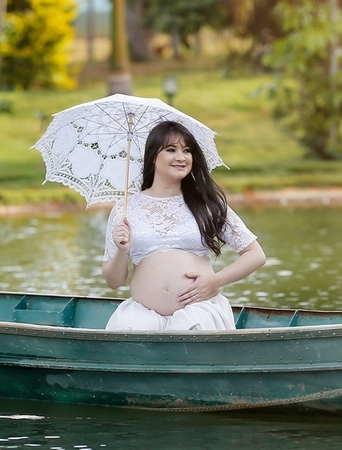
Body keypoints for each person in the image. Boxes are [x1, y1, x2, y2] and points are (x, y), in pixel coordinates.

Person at [102, 120, 266, 331]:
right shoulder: (126, 208)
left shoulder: (206, 204)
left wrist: (214, 281)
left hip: (198, 312)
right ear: (152, 156)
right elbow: (113, 282)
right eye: (171, 150)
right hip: (143, 315)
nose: (181, 157)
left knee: (187, 330)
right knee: (127, 331)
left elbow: (255, 254)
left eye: (187, 151)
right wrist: (122, 251)